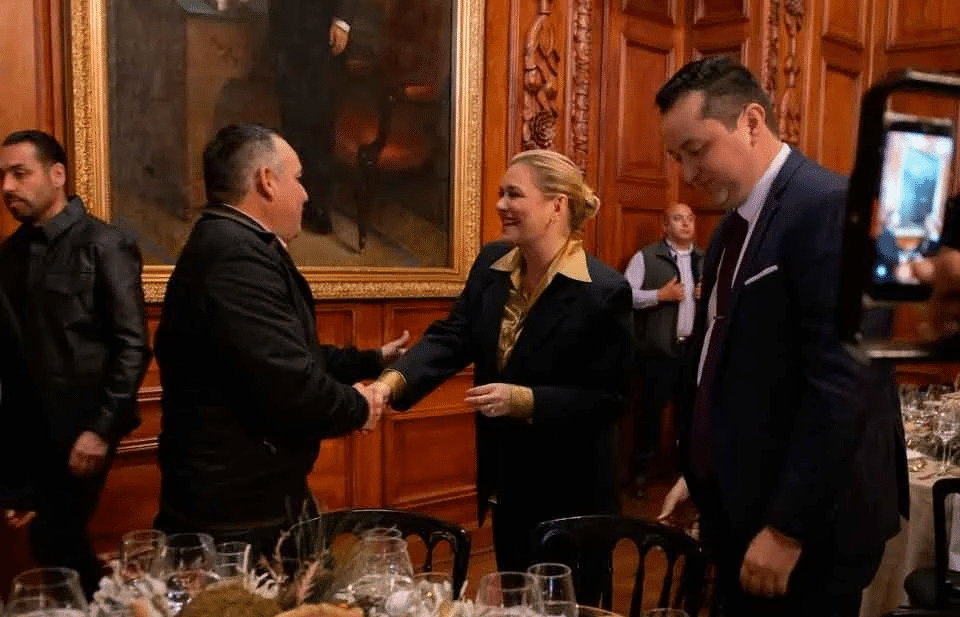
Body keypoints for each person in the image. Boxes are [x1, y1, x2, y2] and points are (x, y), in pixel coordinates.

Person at [653, 58, 906, 616]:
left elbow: (845, 383)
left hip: (807, 528)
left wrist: (788, 529)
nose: (687, 174)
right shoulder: (731, 227)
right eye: (676, 157)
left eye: (696, 150)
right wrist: (703, 472)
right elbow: (731, 363)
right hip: (740, 504)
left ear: (750, 121)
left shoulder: (830, 206)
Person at [370, 149, 634, 571]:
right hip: (507, 482)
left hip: (573, 492)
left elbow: (607, 398)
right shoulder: (491, 265)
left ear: (557, 205)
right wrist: (389, 384)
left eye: (514, 194)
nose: (500, 205)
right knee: (514, 591)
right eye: (500, 193)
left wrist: (523, 400)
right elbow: (452, 337)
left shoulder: (603, 290)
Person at [153, 124, 408, 557]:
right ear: (267, 181)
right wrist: (359, 406)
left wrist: (369, 360)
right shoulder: (236, 256)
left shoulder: (232, 242)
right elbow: (288, 382)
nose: (306, 194)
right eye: (299, 178)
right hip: (237, 514)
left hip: (251, 497)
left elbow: (283, 353)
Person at [0, 130, 151, 598]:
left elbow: (132, 345)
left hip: (84, 429)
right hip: (31, 435)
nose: (7, 187)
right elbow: (12, 360)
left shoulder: (104, 244)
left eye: (19, 173)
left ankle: (118, 606)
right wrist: (16, 475)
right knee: (51, 546)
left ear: (57, 175)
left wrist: (100, 431)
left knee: (56, 540)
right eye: (2, 176)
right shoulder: (10, 254)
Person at [623, 202, 702, 495]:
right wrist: (660, 295)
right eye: (678, 219)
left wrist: (707, 295)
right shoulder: (646, 257)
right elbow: (623, 295)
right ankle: (641, 474)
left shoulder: (705, 258)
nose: (686, 223)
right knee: (649, 416)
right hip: (657, 353)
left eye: (690, 218)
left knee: (689, 417)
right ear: (665, 226)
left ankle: (686, 476)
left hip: (692, 352)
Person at [268, 0, 359, 235]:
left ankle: (317, 204)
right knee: (291, 119)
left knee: (320, 122)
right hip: (286, 30)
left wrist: (343, 20)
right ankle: (291, 201)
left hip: (323, 32)